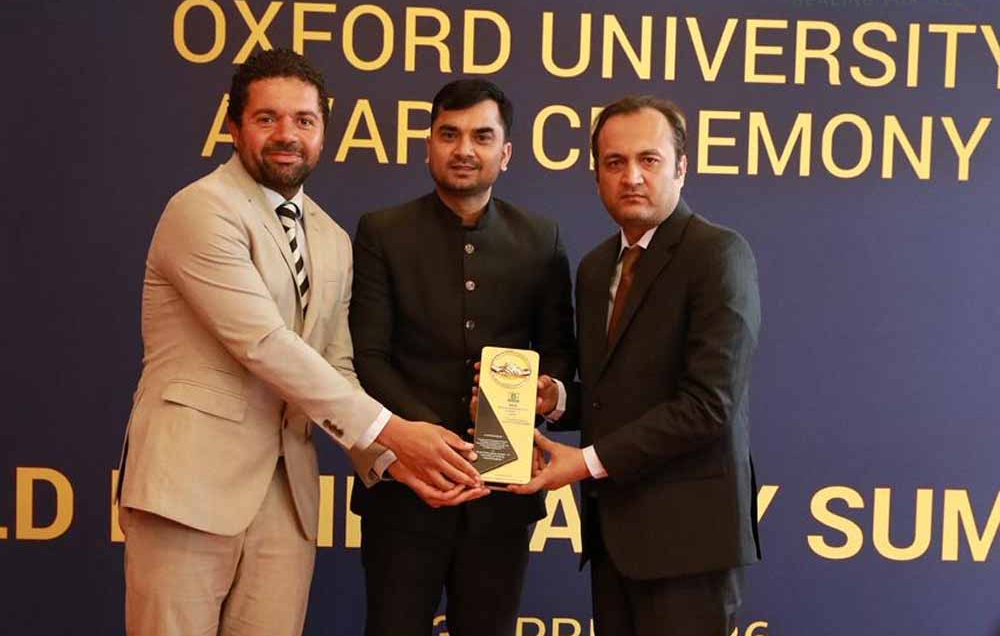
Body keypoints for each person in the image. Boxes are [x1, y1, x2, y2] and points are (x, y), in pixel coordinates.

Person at [115, 48, 482, 636]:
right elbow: (264, 343)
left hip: (287, 501)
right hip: (187, 489)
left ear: (323, 134)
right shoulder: (200, 209)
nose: (287, 135)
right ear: (233, 127)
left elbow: (337, 366)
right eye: (268, 118)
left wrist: (394, 463)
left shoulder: (331, 238)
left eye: (304, 121)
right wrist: (394, 431)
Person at [512, 95, 762, 635]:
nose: (631, 177)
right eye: (614, 162)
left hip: (690, 546)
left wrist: (585, 462)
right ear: (597, 176)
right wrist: (556, 399)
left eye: (649, 160)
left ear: (681, 167)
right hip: (614, 538)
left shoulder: (718, 254)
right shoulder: (596, 267)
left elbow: (708, 406)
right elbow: (612, 397)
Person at [349, 78, 576, 636]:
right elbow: (369, 357)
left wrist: (544, 392)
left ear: (506, 153)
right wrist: (426, 440)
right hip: (405, 488)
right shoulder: (382, 232)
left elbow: (558, 354)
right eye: (449, 134)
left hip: (503, 497)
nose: (464, 149)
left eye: (481, 136)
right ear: (428, 145)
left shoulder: (541, 239)